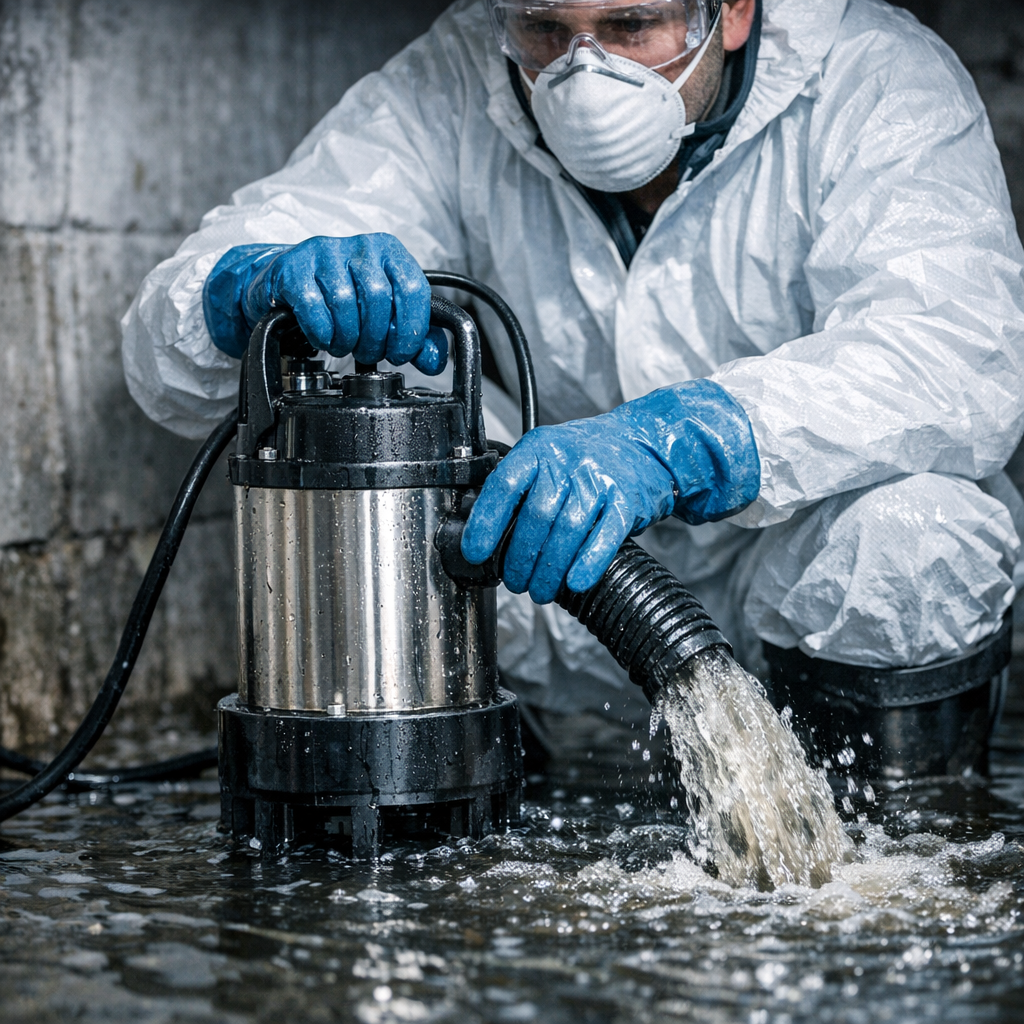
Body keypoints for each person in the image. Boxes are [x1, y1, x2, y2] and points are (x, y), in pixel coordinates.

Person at [122, 0, 1024, 766]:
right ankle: (467, 812)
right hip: (556, 608)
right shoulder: (457, 79)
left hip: (806, 596)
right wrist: (250, 291)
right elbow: (170, 370)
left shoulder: (872, 79)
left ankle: (886, 841)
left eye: (632, 25)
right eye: (547, 27)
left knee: (920, 534)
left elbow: (960, 350)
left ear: (736, 10)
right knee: (372, 505)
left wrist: (678, 441)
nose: (584, 74)